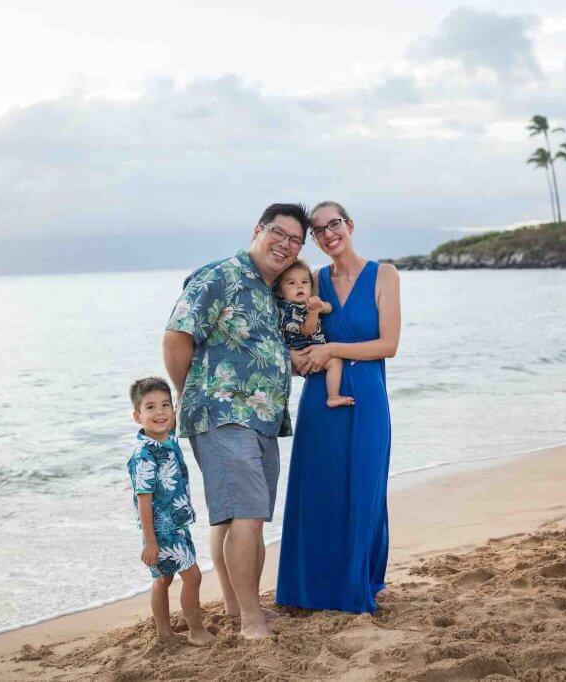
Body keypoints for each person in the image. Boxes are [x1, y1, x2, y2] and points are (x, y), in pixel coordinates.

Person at [163, 203, 310, 639]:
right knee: (247, 514)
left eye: (295, 240)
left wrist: (297, 359)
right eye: (278, 234)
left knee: (233, 517)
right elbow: (176, 337)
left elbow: (260, 351)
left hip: (263, 418)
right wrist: (187, 392)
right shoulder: (220, 275)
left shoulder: (271, 291)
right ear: (258, 230)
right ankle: (251, 619)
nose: (285, 245)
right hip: (222, 413)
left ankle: (234, 605)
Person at [276, 200, 401, 614]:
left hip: (368, 397)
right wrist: (296, 357)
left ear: (350, 224)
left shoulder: (384, 274)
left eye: (334, 224)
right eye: (318, 230)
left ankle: (356, 581)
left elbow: (389, 346)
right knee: (320, 489)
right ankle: (309, 588)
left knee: (364, 487)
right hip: (320, 401)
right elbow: (291, 330)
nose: (328, 234)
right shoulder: (312, 280)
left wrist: (332, 348)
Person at [126, 376, 214, 646]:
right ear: (137, 416)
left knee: (163, 579)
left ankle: (164, 633)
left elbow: (173, 412)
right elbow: (143, 501)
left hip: (176, 523)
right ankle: (196, 630)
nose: (160, 412)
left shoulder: (167, 438)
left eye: (165, 405)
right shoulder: (145, 456)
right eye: (150, 408)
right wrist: (150, 541)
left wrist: (183, 386)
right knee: (193, 576)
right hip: (164, 529)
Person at [275, 259, 354, 408]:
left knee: (335, 362)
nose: (299, 286)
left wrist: (322, 306)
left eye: (304, 282)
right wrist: (313, 311)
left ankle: (332, 396)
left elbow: (330, 308)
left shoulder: (308, 303)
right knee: (335, 362)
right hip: (302, 354)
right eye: (291, 283)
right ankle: (333, 396)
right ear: (280, 291)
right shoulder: (287, 309)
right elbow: (307, 330)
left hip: (314, 350)